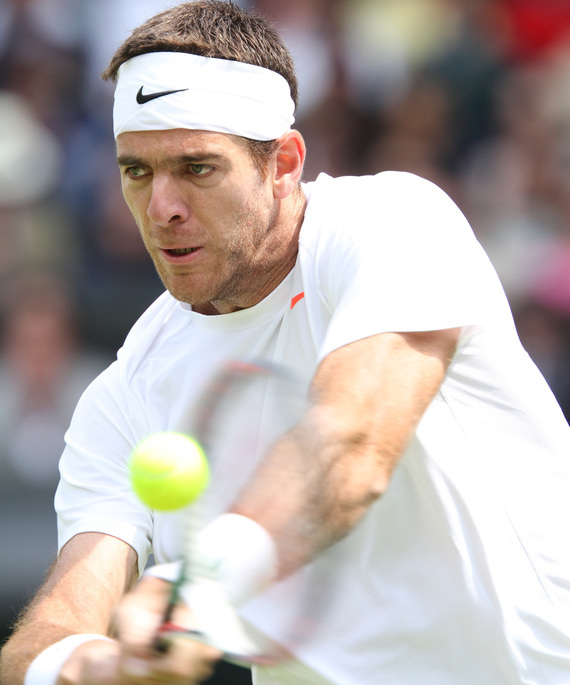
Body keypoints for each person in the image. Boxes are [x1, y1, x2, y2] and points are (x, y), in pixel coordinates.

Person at [1, 1, 570, 684]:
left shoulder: (392, 223)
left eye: (198, 167)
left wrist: (206, 582)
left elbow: (351, 444)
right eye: (138, 171)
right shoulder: (123, 395)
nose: (162, 208)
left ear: (283, 163)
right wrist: (85, 665)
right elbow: (54, 625)